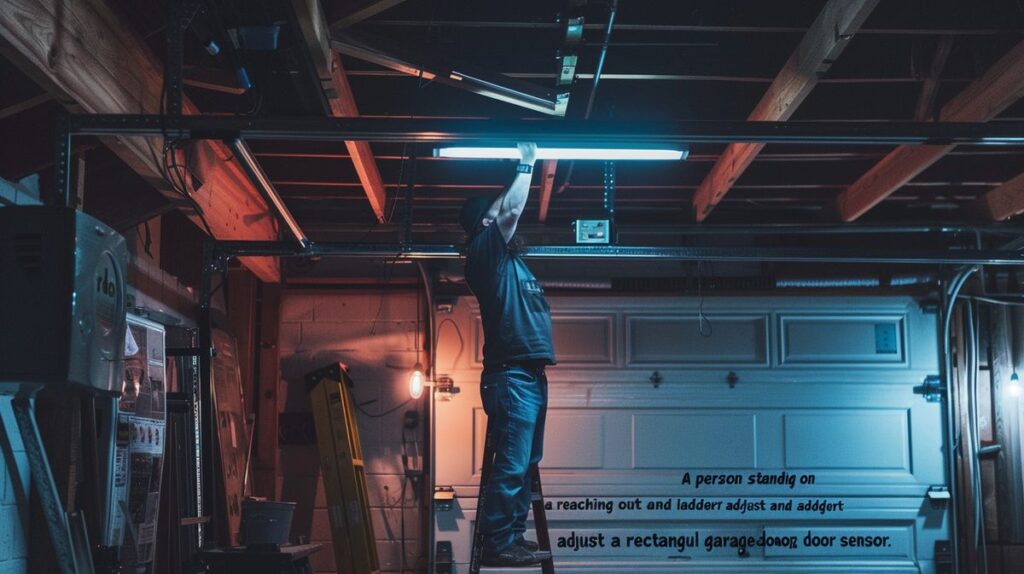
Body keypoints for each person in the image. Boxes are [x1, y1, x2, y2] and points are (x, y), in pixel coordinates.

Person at [459, 142, 556, 567]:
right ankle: (498, 542)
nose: (508, 221)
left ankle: (513, 536)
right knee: (513, 463)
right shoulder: (484, 252)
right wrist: (526, 162)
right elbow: (509, 212)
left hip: (531, 376)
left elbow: (506, 211)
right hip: (511, 377)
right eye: (495, 216)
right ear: (486, 223)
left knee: (527, 461)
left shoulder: (513, 262)